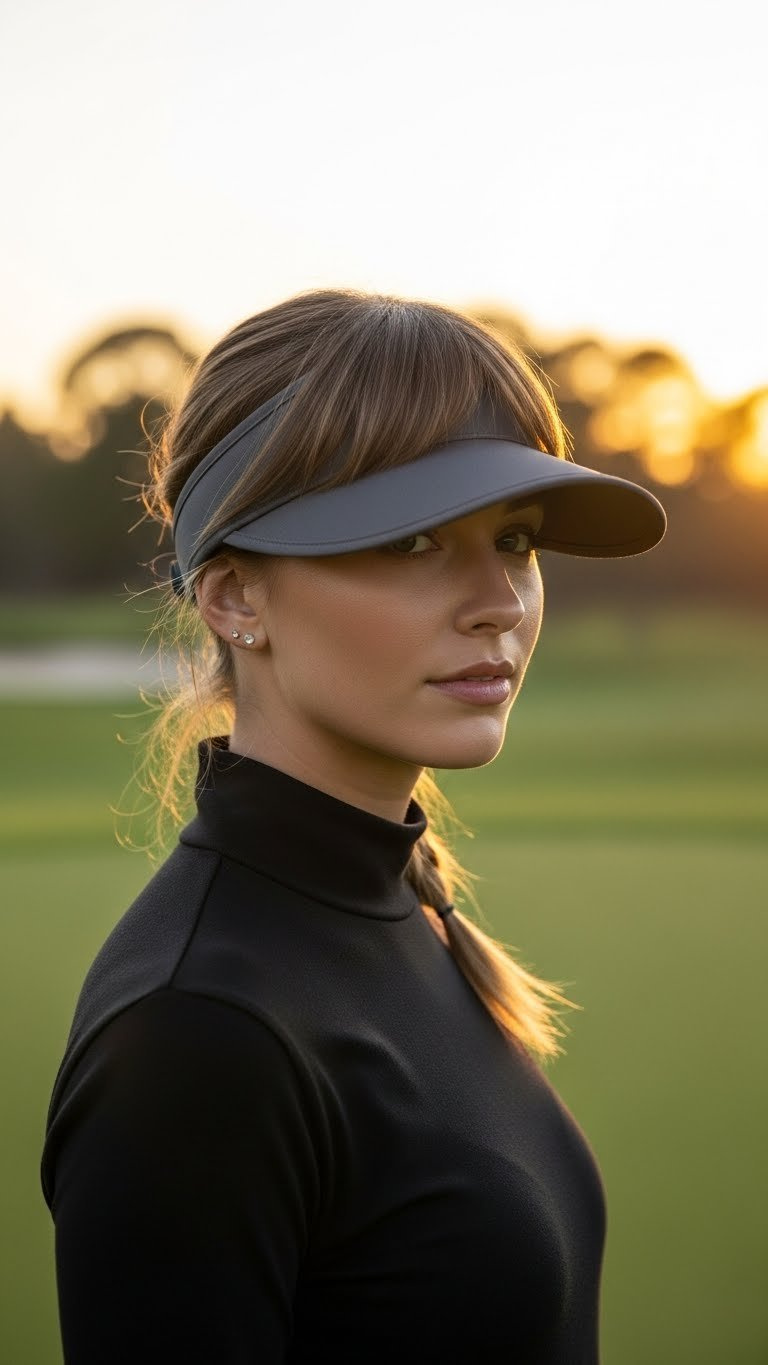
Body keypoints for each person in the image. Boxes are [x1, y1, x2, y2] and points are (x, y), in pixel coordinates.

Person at [40, 288, 665, 1363]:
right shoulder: (200, 1033)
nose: (500, 602)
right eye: (414, 540)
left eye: (514, 540)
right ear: (235, 599)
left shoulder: (411, 908)